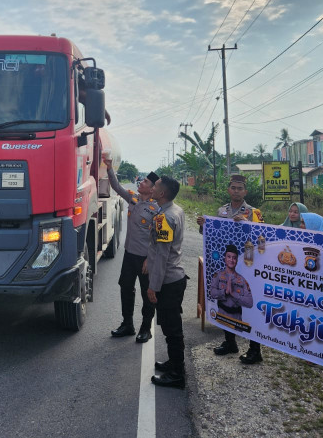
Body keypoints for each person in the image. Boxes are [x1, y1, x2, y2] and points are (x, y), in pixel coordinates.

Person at [197, 174, 264, 364]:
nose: (236, 191)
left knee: (248, 308)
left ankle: (255, 350)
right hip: (228, 265)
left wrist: (246, 223)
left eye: (239, 188)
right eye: (233, 188)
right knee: (226, 304)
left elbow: (263, 236)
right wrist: (204, 226)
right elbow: (213, 235)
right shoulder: (222, 211)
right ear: (228, 190)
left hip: (248, 266)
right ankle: (230, 342)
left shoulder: (253, 212)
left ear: (245, 191)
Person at [104, 155, 160, 342]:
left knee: (147, 293)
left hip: (145, 259)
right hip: (129, 255)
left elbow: (158, 238)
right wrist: (110, 168)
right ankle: (127, 324)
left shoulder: (157, 209)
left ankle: (145, 328)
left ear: (152, 189)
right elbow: (116, 187)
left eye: (144, 181)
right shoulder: (133, 199)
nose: (140, 182)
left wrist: (149, 259)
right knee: (126, 287)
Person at [146, 176, 188, 389]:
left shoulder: (165, 218)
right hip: (174, 278)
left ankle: (177, 374)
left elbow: (162, 255)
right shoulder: (175, 210)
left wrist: (153, 286)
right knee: (172, 326)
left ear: (162, 193)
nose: (152, 188)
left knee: (172, 329)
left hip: (168, 281)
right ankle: (174, 363)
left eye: (155, 186)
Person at [208, 244, 253, 356]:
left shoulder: (242, 280)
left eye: (234, 258)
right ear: (224, 258)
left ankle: (232, 344)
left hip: (235, 316)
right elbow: (212, 293)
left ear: (237, 260)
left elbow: (250, 302)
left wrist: (233, 294)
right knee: (225, 329)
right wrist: (224, 292)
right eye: (229, 257)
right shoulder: (218, 275)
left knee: (233, 328)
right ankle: (230, 344)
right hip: (222, 312)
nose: (231, 260)